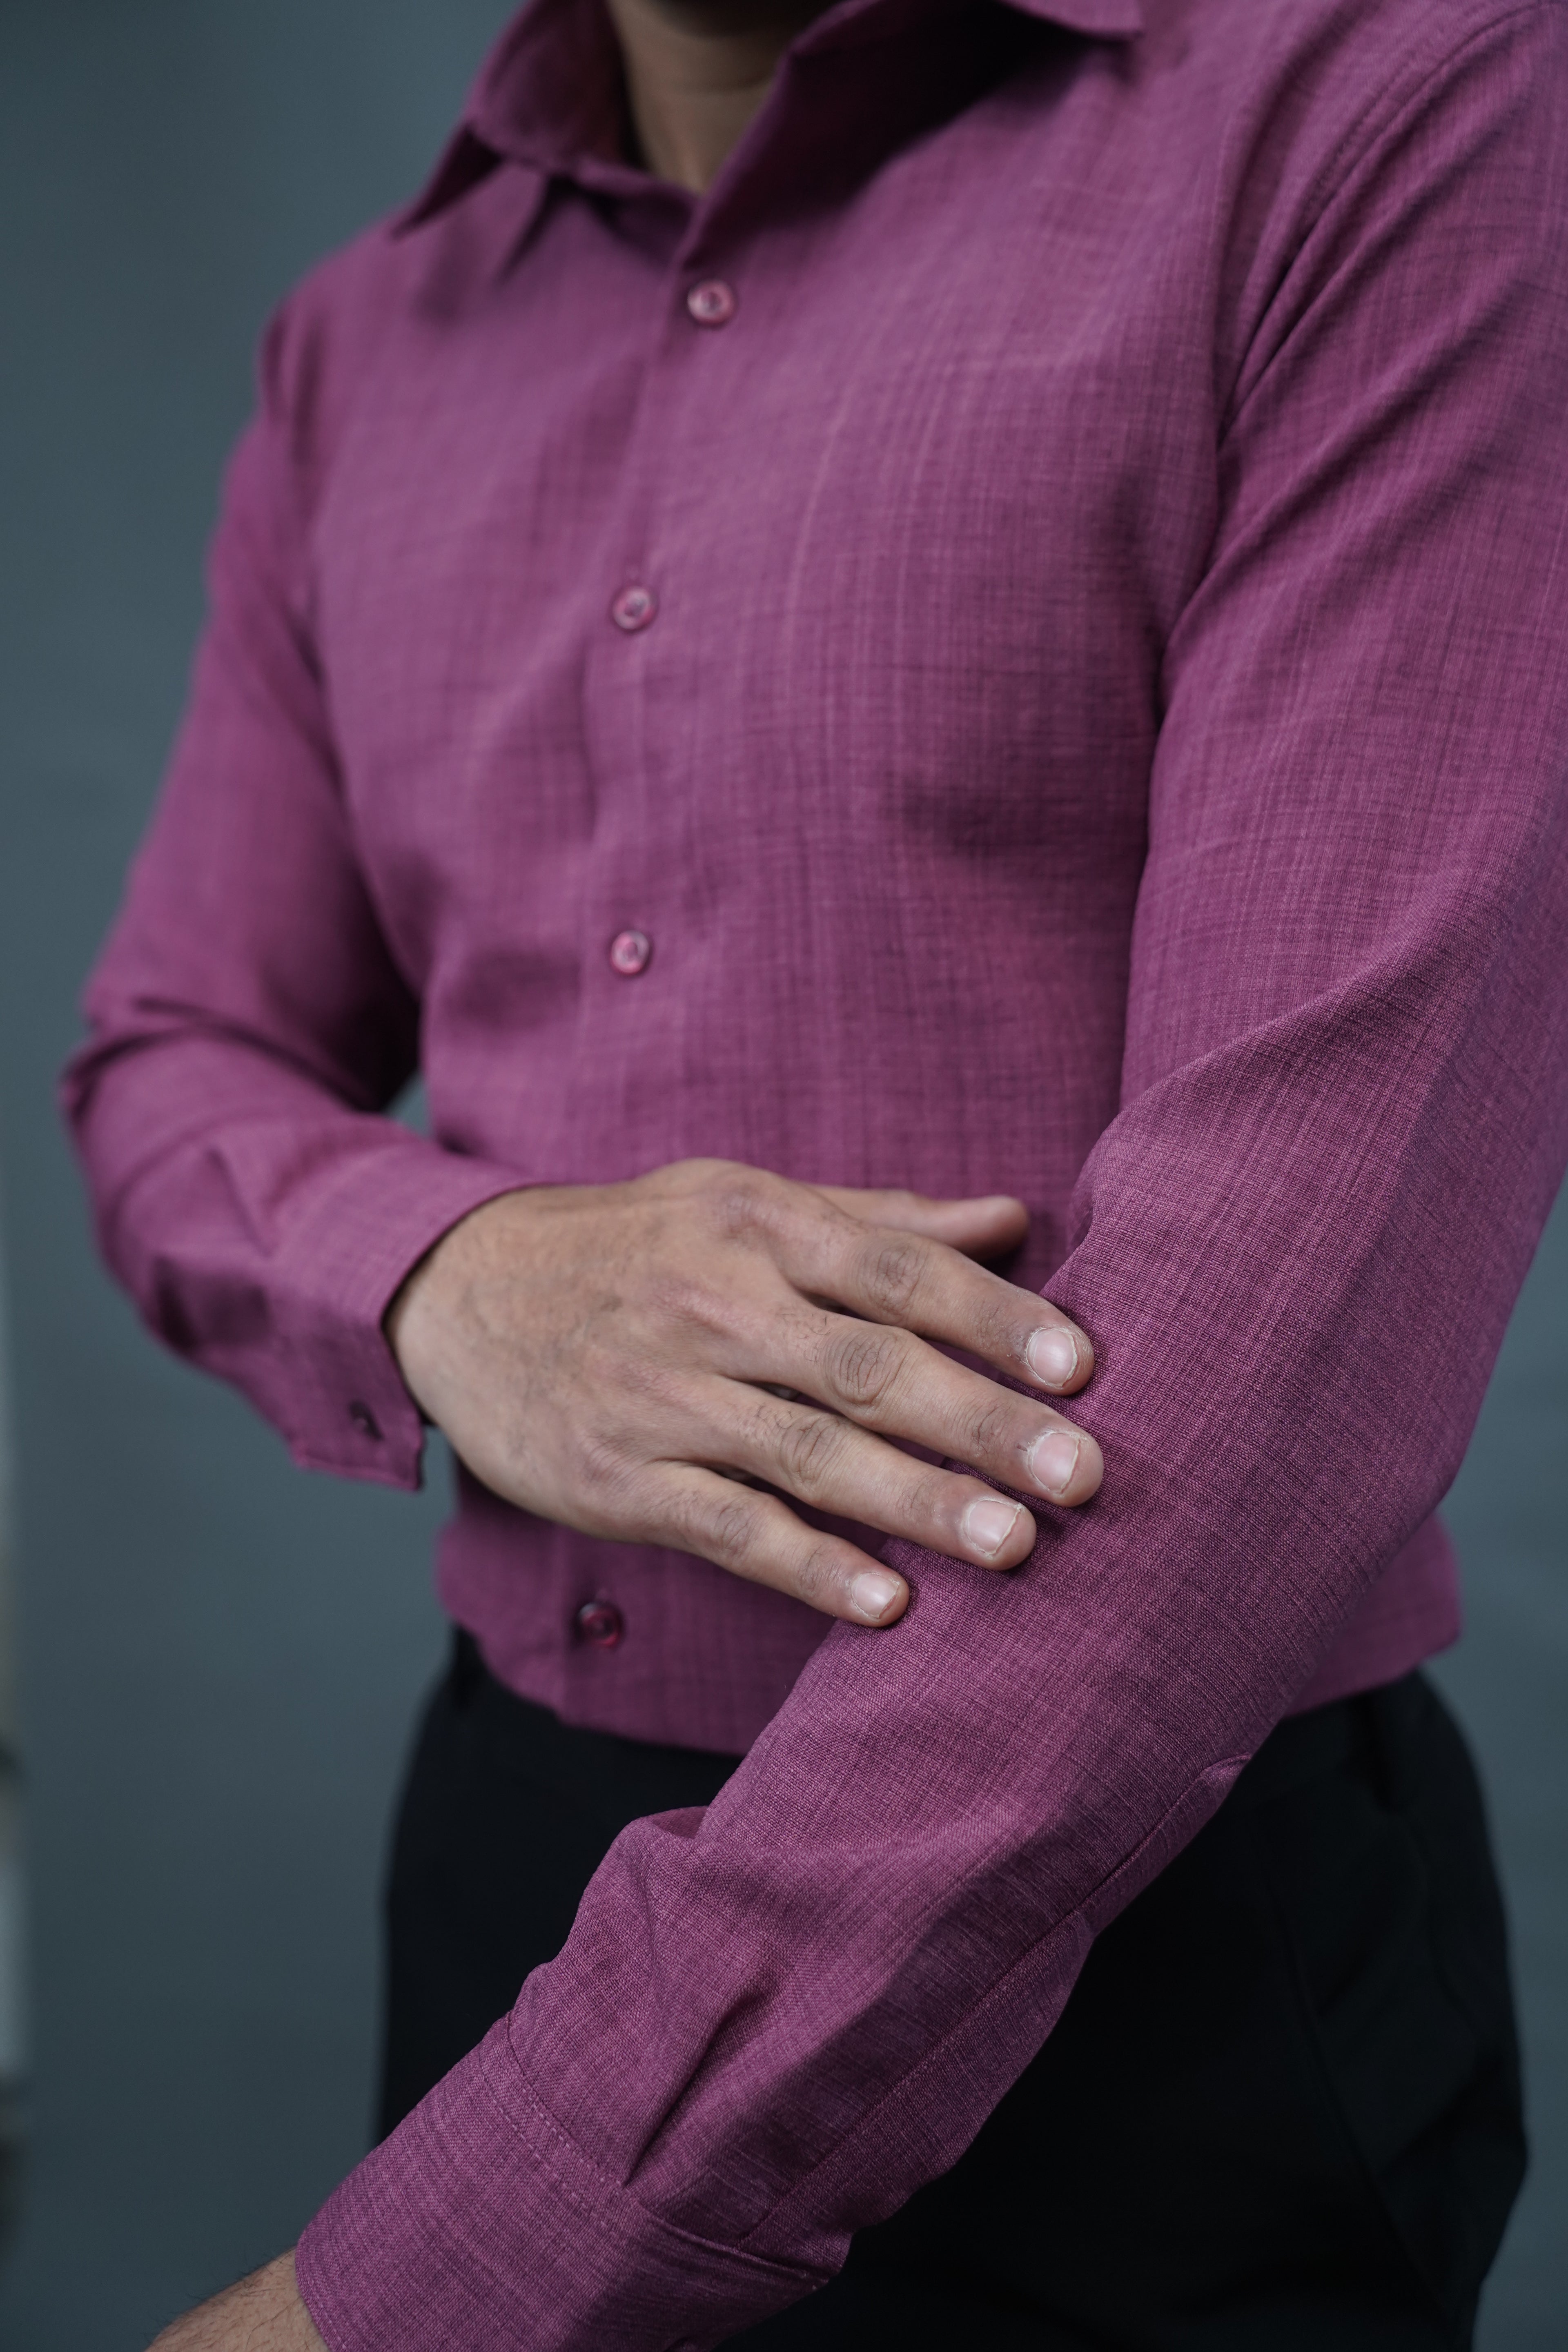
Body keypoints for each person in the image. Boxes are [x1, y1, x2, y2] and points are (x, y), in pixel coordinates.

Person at [64, 0, 1567, 2341]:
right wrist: (447, 1272)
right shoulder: (354, 351)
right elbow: (168, 1059)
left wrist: (456, 2266)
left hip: (1177, 1958)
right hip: (519, 1873)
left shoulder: (1394, 101)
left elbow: (1309, 1310)